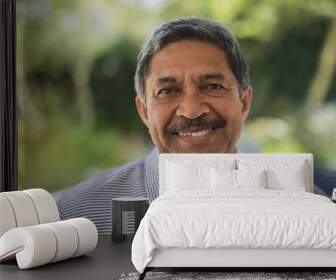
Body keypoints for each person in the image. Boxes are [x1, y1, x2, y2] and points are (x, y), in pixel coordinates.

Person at [57, 17, 253, 234]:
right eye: (168, 91)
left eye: (213, 86)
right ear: (145, 111)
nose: (191, 110)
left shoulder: (294, 200)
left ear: (244, 103)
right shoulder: (72, 217)